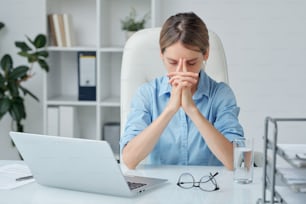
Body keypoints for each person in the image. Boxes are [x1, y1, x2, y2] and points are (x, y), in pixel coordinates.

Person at [120, 12, 244, 170]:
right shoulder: (147, 94)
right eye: (172, 62)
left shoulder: (221, 94)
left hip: (210, 188)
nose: (182, 71)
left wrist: (191, 109)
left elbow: (236, 161)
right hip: (161, 191)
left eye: (191, 63)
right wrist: (170, 110)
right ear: (161, 55)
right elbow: (129, 160)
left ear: (205, 54)